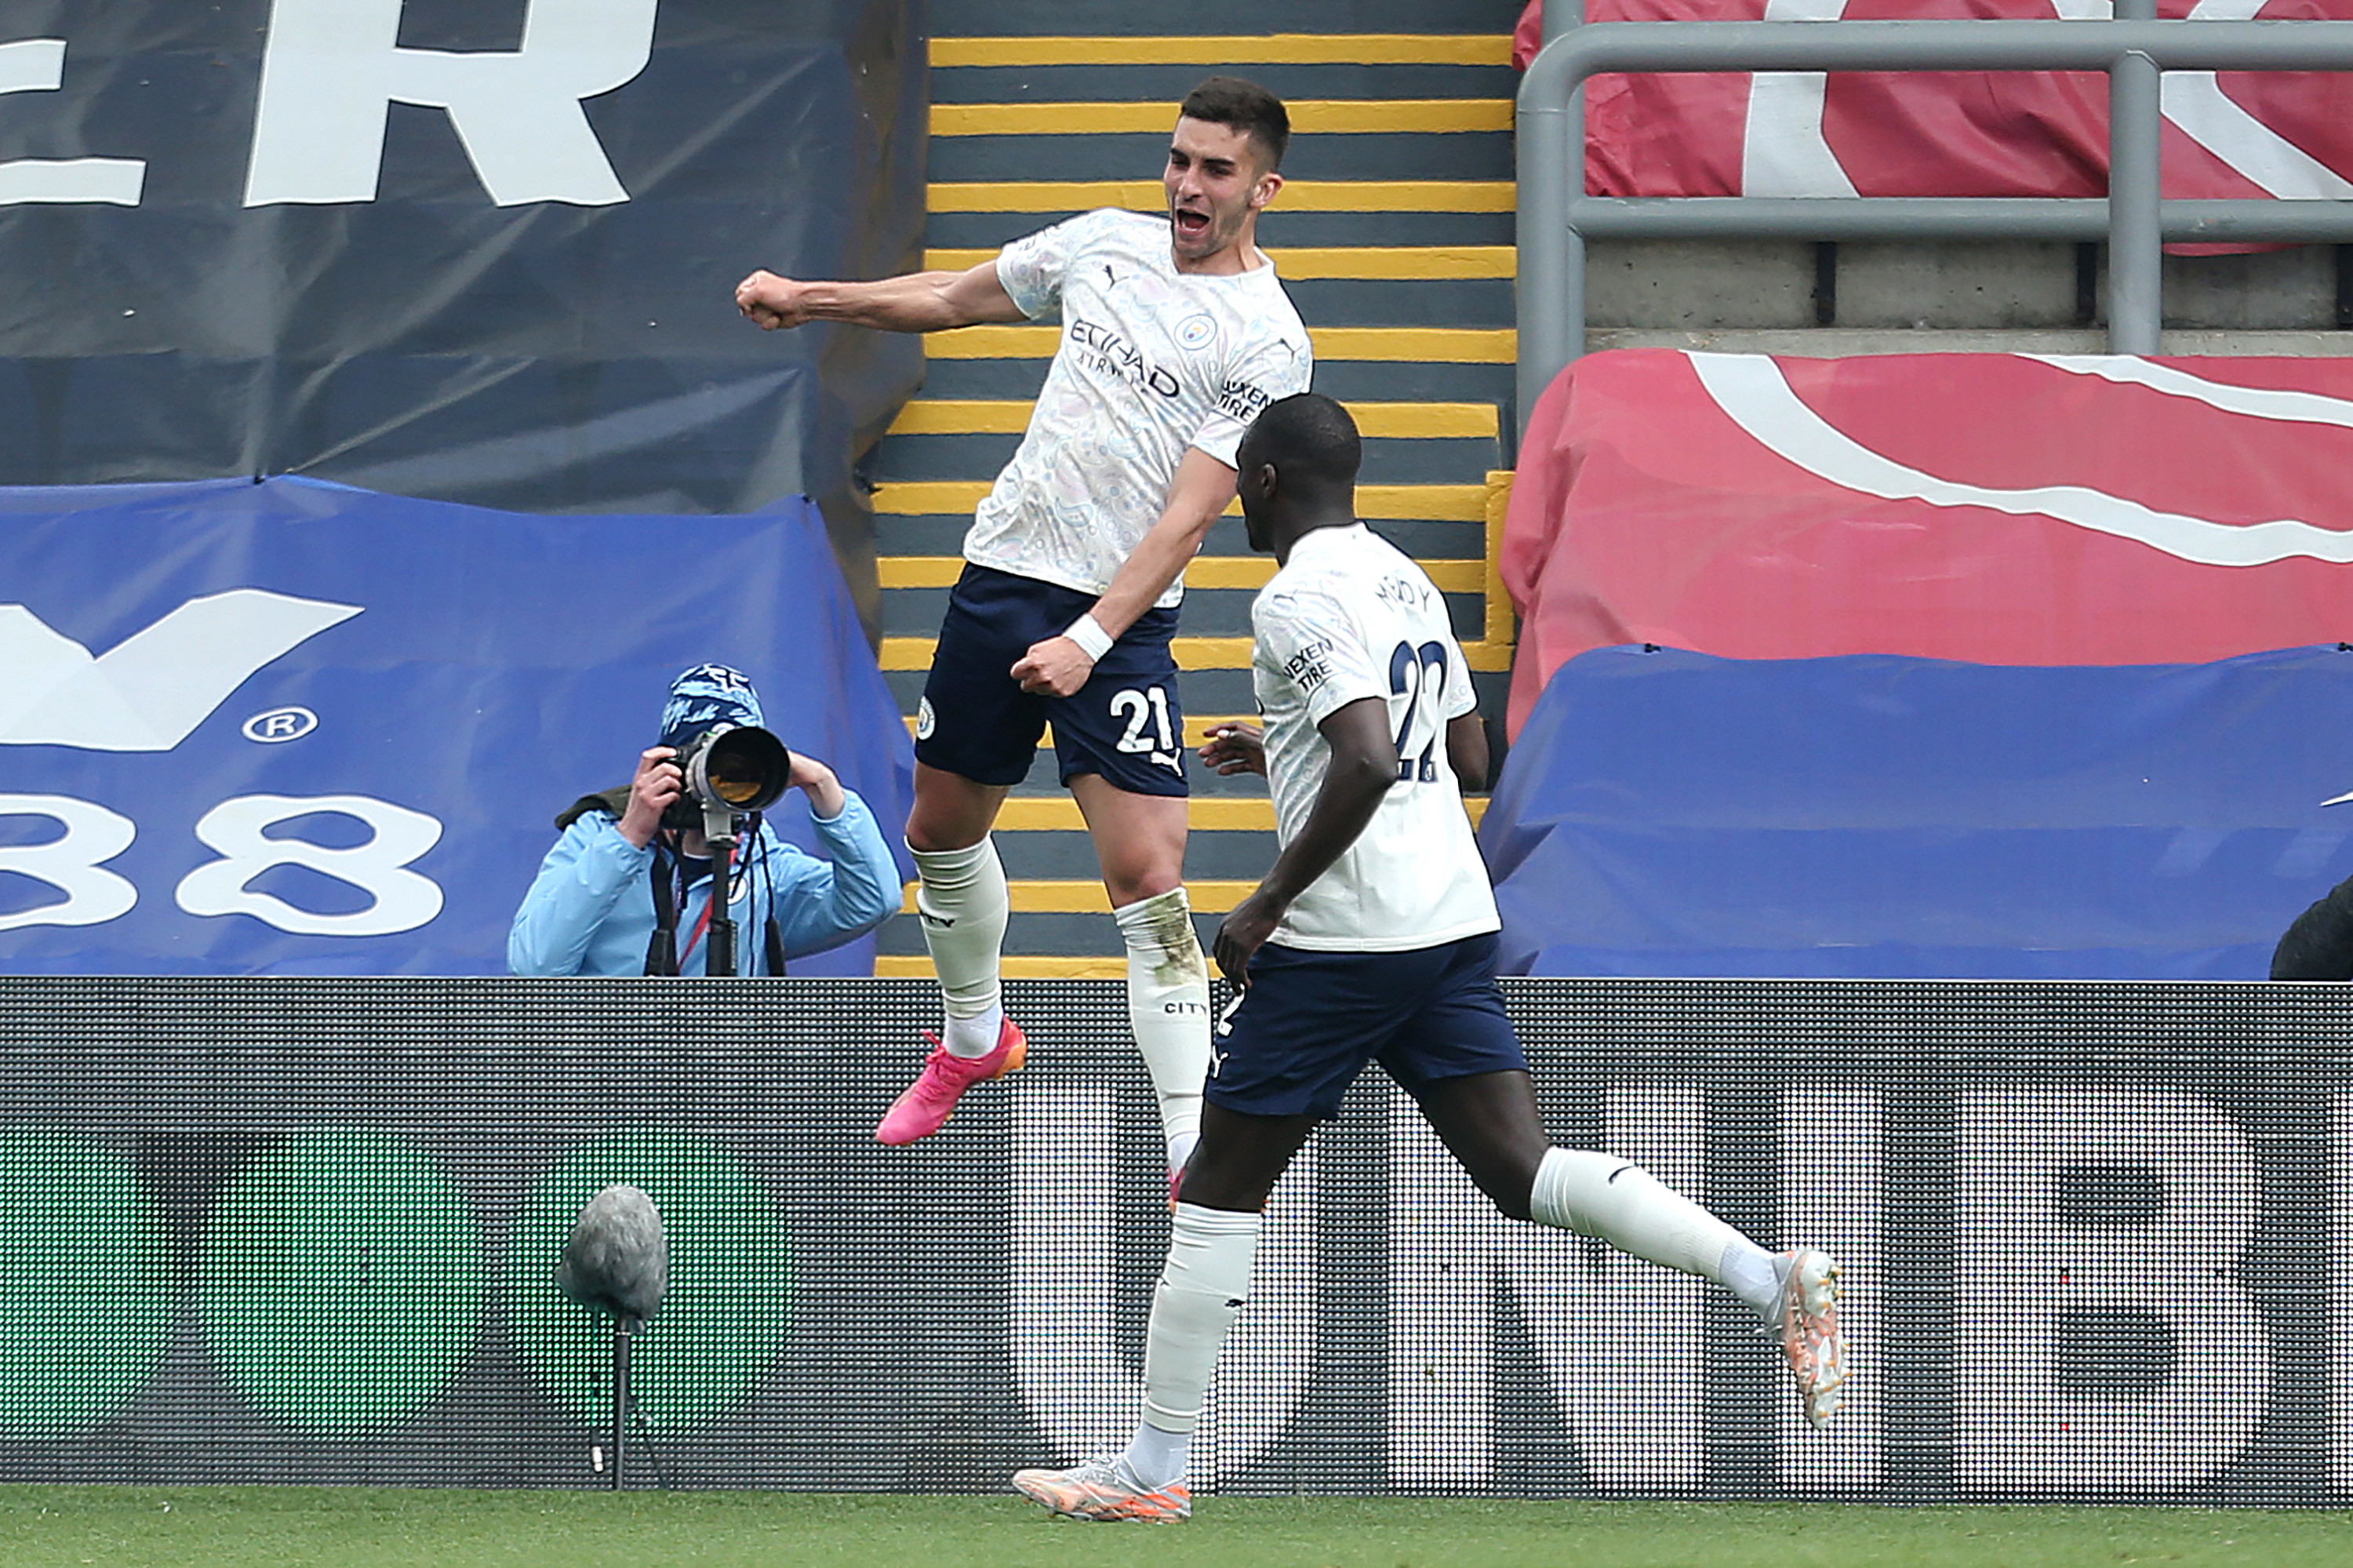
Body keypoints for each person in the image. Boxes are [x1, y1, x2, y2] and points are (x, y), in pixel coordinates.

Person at [1009, 395, 1850, 1523]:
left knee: (1216, 1185)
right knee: (1521, 1166)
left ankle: (1151, 1467)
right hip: (1449, 917)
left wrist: (1263, 903)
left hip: (1346, 938)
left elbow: (1363, 756)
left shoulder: (1295, 596)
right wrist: (1286, 743)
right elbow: (1463, 745)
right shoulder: (1404, 576)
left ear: (1260, 483)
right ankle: (1763, 1274)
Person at [735, 78, 1313, 1170]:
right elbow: (953, 297)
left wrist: (1090, 637)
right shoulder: (1102, 244)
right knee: (938, 829)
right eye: (1180, 159)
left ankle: (1194, 1141)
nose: (1189, 184)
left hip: (1122, 619)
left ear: (1265, 189)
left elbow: (1192, 516)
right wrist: (812, 297)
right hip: (1006, 569)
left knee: (1148, 869)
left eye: (1217, 169)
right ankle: (973, 1037)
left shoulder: (1271, 341)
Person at [509, 664, 898, 977]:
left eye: (742, 768)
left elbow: (873, 901)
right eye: (712, 764)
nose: (725, 780)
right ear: (669, 759)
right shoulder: (597, 834)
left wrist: (824, 785)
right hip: (613, 1070)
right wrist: (629, 837)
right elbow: (533, 965)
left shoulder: (762, 866)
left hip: (726, 1070)